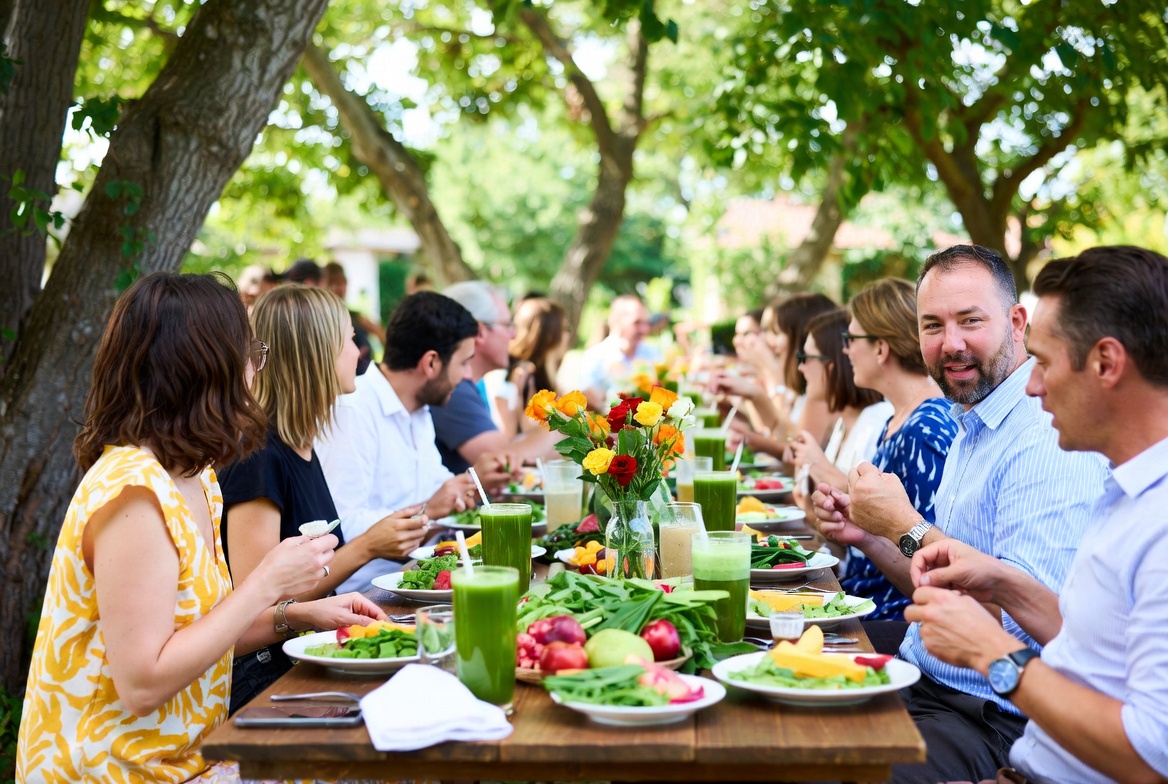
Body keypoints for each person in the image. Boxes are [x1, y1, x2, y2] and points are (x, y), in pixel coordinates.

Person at [15, 273, 383, 782]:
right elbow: (143, 683)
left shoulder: (196, 475)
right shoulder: (135, 494)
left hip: (187, 758)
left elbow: (205, 634)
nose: (257, 367)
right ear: (206, 367)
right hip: (113, 770)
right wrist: (266, 584)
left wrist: (299, 615)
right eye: (251, 352)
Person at [811, 244, 1109, 784]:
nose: (951, 343)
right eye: (933, 325)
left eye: (970, 321)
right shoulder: (970, 419)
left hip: (989, 715)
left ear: (1016, 323)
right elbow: (938, 588)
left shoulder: (1045, 438)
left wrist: (905, 525)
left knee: (814, 764)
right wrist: (872, 536)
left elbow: (1031, 632)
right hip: (927, 676)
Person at [906, 246, 1168, 784]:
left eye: (1044, 363)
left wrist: (993, 653)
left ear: (1106, 363)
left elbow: (1151, 758)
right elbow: (1090, 646)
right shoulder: (1126, 489)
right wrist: (1003, 582)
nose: (1031, 385)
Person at [218, 285, 429, 709]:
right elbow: (255, 612)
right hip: (266, 684)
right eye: (348, 339)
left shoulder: (300, 444)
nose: (358, 351)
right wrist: (367, 547)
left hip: (303, 659)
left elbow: (297, 591)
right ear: (317, 355)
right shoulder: (257, 457)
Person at [315, 291, 513, 594]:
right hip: (369, 593)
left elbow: (435, 487)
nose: (466, 376)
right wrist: (428, 509)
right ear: (431, 362)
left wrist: (470, 484)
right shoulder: (353, 409)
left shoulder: (419, 409)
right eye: (463, 363)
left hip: (419, 575)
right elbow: (342, 524)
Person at [836, 278, 958, 627]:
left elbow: (933, 566)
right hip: (872, 609)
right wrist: (859, 528)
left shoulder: (924, 429)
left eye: (851, 339)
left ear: (880, 348)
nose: (846, 350)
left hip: (896, 622)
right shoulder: (899, 419)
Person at [430, 280, 560, 475]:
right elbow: (505, 465)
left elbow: (511, 450)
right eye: (507, 325)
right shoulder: (454, 390)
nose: (513, 335)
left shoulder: (468, 386)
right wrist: (562, 421)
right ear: (480, 332)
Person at [783, 309, 892, 513]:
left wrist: (817, 463)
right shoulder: (843, 423)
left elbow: (875, 511)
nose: (800, 368)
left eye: (805, 358)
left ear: (833, 364)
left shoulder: (878, 420)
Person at [717, 292, 838, 454]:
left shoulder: (821, 391)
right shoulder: (804, 389)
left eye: (776, 332)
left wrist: (770, 374)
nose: (768, 340)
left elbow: (790, 448)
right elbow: (777, 432)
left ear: (801, 336)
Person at [484, 296, 569, 437]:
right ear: (550, 335)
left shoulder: (542, 374)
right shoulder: (517, 376)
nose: (568, 335)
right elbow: (509, 437)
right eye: (565, 328)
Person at [579, 295, 662, 410]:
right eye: (637, 322)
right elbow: (587, 403)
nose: (645, 329)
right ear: (616, 321)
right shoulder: (594, 357)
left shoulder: (653, 354)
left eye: (646, 323)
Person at [322, 260, 382, 375]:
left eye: (342, 283)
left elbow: (383, 335)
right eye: (333, 282)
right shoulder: (320, 320)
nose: (338, 288)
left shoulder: (356, 317)